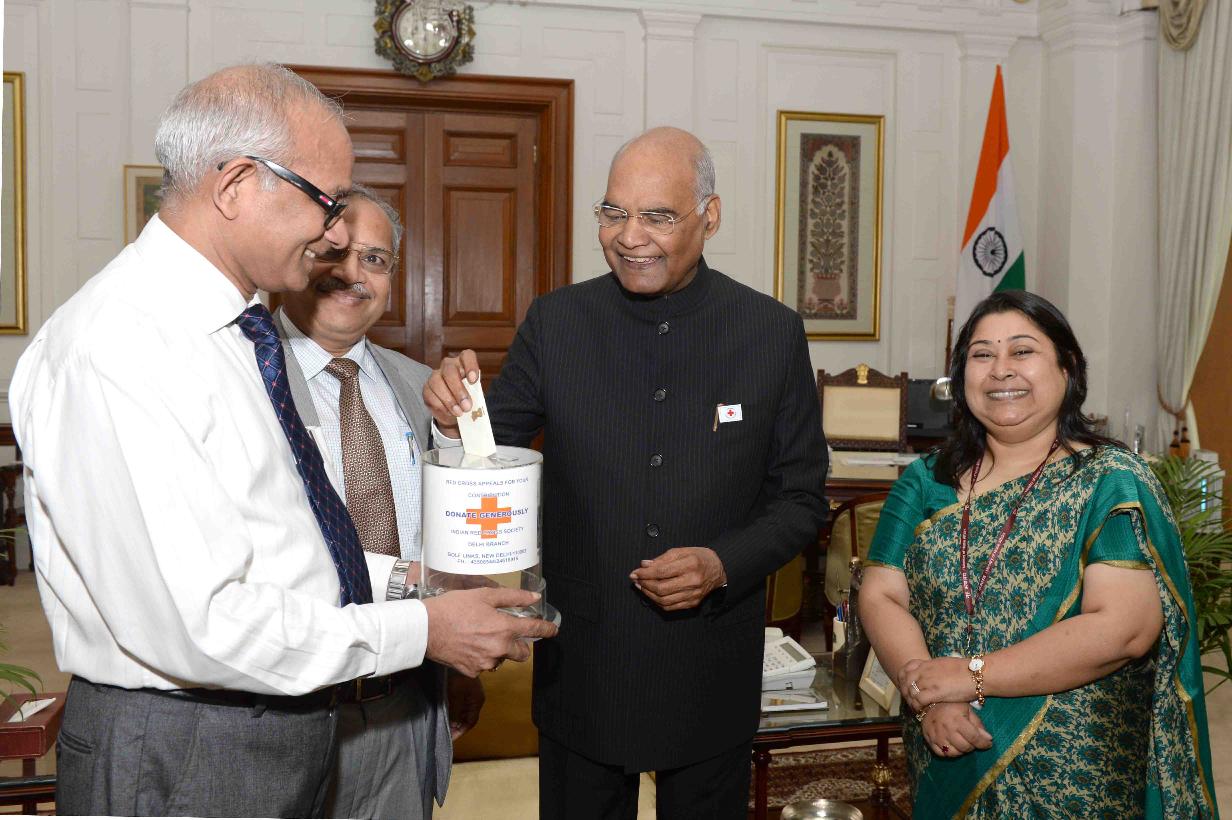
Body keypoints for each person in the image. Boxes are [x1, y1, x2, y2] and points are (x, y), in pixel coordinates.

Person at [9, 63, 554, 818]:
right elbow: (201, 625)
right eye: (325, 201)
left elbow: (274, 548)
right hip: (190, 748)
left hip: (268, 726)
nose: (336, 233)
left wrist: (416, 585)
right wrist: (420, 628)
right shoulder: (121, 347)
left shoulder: (234, 334)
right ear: (237, 185)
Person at [424, 126, 827, 819]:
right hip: (585, 659)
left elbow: (801, 499)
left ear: (710, 216)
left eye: (658, 216)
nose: (629, 237)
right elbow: (487, 455)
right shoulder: (557, 322)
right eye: (614, 213)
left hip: (710, 661)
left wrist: (722, 564)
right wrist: (452, 419)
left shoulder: (771, 332)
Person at [860, 290, 1217, 818]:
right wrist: (930, 694)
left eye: (1022, 351)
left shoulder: (1109, 482)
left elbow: (1125, 628)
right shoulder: (925, 481)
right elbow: (881, 594)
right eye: (982, 355)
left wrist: (970, 675)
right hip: (945, 742)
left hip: (1076, 773)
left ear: (1067, 368)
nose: (1001, 370)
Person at [276, 186, 486, 819]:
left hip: (407, 701)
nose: (353, 275)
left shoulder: (419, 386)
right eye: (334, 253)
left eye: (375, 259)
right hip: (294, 703)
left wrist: (457, 436)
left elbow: (455, 536)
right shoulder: (249, 379)